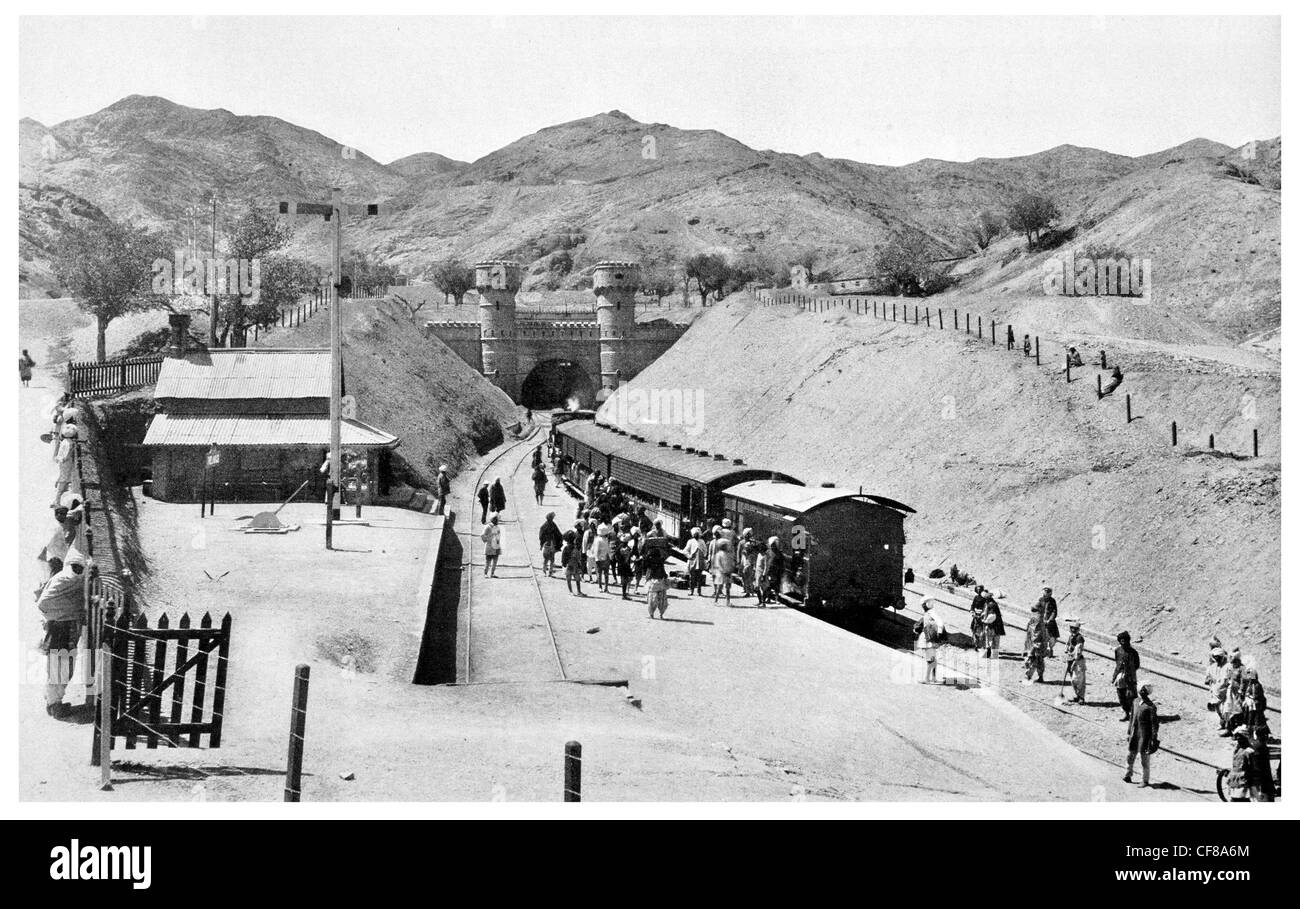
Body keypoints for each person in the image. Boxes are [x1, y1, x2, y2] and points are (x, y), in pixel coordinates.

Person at [36, 552, 87, 718]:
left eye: (80, 568)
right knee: (59, 668)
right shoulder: (63, 579)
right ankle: (54, 705)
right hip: (60, 629)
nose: (77, 570)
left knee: (65, 668)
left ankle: (53, 701)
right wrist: (70, 610)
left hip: (67, 629)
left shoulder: (75, 581)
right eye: (75, 567)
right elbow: (44, 603)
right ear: (68, 565)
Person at [1123, 681, 1159, 787]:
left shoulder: (1151, 707)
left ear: (1148, 692)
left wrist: (1153, 738)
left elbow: (1154, 725)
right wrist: (1129, 732)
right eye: (1141, 690)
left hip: (1145, 737)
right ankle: (1128, 774)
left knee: (1144, 759)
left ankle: (1145, 780)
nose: (1142, 692)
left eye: (1145, 690)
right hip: (1134, 734)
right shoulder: (1135, 702)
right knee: (1130, 755)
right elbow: (1131, 718)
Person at [1113, 631, 1140, 721]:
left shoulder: (1133, 652)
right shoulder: (1117, 650)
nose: (1123, 643)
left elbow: (1137, 665)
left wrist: (1130, 672)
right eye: (1121, 641)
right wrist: (1116, 675)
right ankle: (1126, 712)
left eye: (1125, 641)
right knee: (1121, 695)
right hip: (1120, 675)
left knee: (1131, 695)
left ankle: (1134, 714)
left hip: (1130, 676)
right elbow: (1117, 662)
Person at [915, 601, 943, 684]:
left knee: (929, 660)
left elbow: (917, 627)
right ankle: (933, 678)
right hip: (933, 639)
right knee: (933, 659)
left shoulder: (928, 615)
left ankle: (927, 679)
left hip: (928, 640)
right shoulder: (933, 614)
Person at [1204, 647, 1231, 730]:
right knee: (1218, 709)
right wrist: (1209, 679)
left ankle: (1228, 726)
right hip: (1216, 692)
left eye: (1218, 658)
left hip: (1225, 692)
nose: (1217, 660)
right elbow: (1207, 679)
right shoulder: (1212, 667)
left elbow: (1230, 680)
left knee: (1225, 709)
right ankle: (1222, 723)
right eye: (1215, 658)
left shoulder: (1228, 666)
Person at [643, 541, 669, 619]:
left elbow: (644, 566)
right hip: (661, 581)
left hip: (652, 582)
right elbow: (663, 571)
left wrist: (646, 555)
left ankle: (651, 614)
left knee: (651, 599)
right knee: (662, 600)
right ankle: (661, 614)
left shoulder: (650, 561)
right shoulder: (661, 561)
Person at [1022, 604, 1047, 683]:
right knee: (1039, 660)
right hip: (1039, 643)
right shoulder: (1039, 618)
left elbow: (1036, 633)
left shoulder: (1037, 619)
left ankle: (1028, 676)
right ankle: (1040, 676)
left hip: (1035, 644)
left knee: (1032, 659)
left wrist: (1034, 645)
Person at [1064, 620, 1087, 703]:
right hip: (1070, 659)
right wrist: (1067, 650)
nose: (1073, 630)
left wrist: (1074, 660)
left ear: (1078, 629)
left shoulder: (1079, 638)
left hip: (1078, 661)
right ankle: (1078, 695)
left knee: (1078, 680)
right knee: (1072, 680)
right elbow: (1067, 645)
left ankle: (1081, 697)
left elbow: (1078, 651)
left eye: (1075, 628)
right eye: (1072, 628)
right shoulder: (1071, 636)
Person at [539, 512, 563, 577]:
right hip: (551, 544)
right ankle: (549, 571)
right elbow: (558, 534)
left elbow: (541, 536)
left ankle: (545, 571)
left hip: (548, 544)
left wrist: (541, 543)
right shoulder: (552, 525)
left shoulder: (544, 526)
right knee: (551, 559)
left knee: (547, 559)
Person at [980, 593, 1005, 658]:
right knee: (994, 640)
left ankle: (991, 654)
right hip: (996, 625)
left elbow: (992, 615)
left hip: (993, 625)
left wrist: (985, 621)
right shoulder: (990, 603)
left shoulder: (991, 605)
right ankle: (993, 655)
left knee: (991, 640)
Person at [711, 537, 734, 607]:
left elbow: (731, 563)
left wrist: (729, 570)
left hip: (727, 572)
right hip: (721, 573)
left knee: (728, 588)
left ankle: (728, 602)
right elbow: (718, 564)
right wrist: (723, 571)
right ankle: (716, 601)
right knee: (719, 588)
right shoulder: (719, 554)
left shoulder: (728, 554)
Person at [684, 527, 707, 596]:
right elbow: (685, 551)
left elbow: (705, 550)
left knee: (699, 577)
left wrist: (703, 555)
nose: (696, 535)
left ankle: (699, 591)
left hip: (700, 561)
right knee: (692, 577)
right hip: (692, 562)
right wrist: (689, 556)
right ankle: (691, 591)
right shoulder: (690, 541)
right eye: (695, 534)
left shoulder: (702, 541)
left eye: (697, 534)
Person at [1037, 587, 1059, 657]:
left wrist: (1050, 620)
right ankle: (1043, 650)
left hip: (1050, 622)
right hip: (1042, 620)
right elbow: (1037, 608)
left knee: (1052, 637)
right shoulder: (1041, 599)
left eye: (1047, 594)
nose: (1045, 595)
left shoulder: (1052, 601)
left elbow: (1054, 612)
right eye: (1044, 594)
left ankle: (1050, 650)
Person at [561, 530, 583, 596]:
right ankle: (579, 591)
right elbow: (579, 557)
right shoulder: (575, 547)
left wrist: (564, 564)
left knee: (568, 579)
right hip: (575, 564)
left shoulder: (566, 548)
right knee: (577, 579)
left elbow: (563, 557)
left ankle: (571, 591)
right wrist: (580, 564)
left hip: (569, 564)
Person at [592, 524, 612, 593]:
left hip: (602, 558)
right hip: (603, 558)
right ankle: (603, 587)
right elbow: (597, 550)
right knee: (604, 574)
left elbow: (596, 550)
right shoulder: (601, 540)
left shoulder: (598, 539)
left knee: (600, 574)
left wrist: (596, 558)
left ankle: (602, 587)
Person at [738, 528, 758, 596]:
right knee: (743, 575)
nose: (748, 536)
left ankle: (749, 590)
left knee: (749, 575)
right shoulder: (741, 542)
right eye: (747, 535)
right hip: (743, 559)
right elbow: (738, 551)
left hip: (749, 559)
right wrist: (738, 560)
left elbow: (755, 551)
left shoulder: (752, 543)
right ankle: (745, 588)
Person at [615, 533, 636, 599]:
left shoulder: (619, 547)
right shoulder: (628, 548)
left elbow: (616, 555)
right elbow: (630, 555)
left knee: (624, 579)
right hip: (626, 565)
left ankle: (624, 594)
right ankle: (624, 594)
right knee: (626, 579)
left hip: (620, 565)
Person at [766, 537, 786, 602]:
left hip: (777, 572)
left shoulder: (779, 553)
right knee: (769, 585)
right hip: (770, 571)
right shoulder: (768, 552)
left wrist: (782, 571)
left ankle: (776, 599)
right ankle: (768, 598)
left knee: (776, 586)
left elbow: (782, 563)